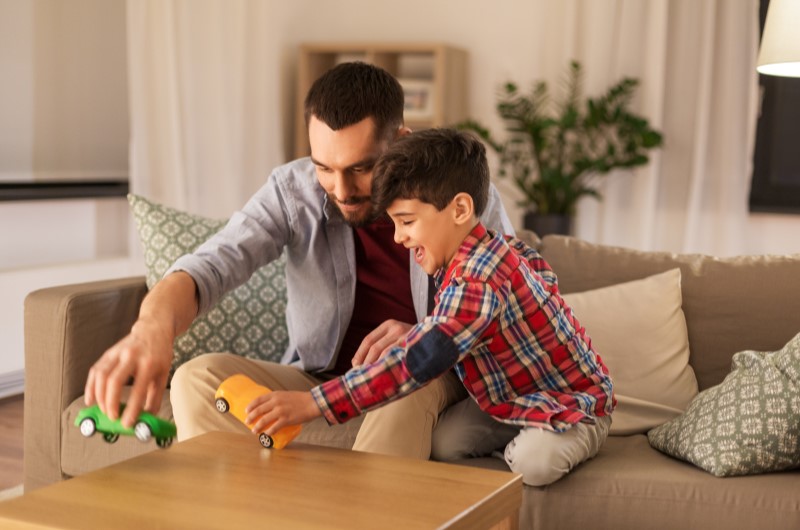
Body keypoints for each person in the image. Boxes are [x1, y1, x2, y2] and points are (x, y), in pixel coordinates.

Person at [83, 62, 514, 459]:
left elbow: (509, 308)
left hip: (428, 379)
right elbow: (212, 265)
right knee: (197, 378)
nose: (341, 190)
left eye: (362, 168)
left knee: (408, 374)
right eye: (324, 167)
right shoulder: (293, 193)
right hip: (320, 380)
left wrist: (426, 335)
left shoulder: (460, 198)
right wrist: (150, 331)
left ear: (401, 142)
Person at [245, 128, 615, 486]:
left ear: (459, 209)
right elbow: (540, 278)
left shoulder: (479, 280)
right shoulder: (482, 252)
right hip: (509, 398)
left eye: (406, 222)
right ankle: (524, 432)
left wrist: (313, 403)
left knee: (533, 464)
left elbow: (415, 362)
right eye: (393, 223)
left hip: (571, 403)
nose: (398, 237)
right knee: (445, 445)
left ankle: (568, 434)